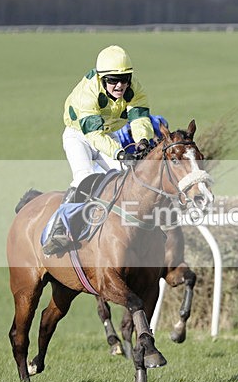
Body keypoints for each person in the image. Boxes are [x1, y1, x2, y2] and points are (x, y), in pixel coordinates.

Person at [42, 44, 155, 256]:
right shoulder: (89, 91)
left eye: (125, 79)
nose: (120, 85)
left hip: (106, 134)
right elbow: (93, 135)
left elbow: (140, 118)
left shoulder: (134, 88)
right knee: (84, 178)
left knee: (125, 175)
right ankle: (58, 228)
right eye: (113, 80)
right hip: (79, 136)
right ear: (102, 79)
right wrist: (119, 153)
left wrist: (142, 142)